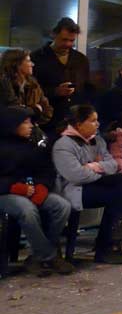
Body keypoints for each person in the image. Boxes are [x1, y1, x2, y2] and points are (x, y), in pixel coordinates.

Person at [52, 104, 122, 265]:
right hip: (74, 190)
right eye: (93, 121)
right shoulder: (63, 145)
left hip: (91, 184)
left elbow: (113, 164)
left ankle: (110, 240)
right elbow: (76, 175)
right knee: (116, 195)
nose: (98, 124)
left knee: (121, 180)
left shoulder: (97, 140)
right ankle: (109, 242)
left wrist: (93, 166)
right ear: (79, 124)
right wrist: (100, 169)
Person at [0, 106, 73, 276]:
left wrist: (42, 186)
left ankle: (37, 256)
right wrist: (13, 187)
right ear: (12, 125)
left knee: (62, 206)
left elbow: (46, 169)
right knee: (27, 210)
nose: (31, 126)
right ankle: (49, 255)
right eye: (25, 123)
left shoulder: (32, 144)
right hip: (6, 192)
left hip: (31, 189)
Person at [30, 17, 90, 132]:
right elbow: (30, 92)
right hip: (47, 122)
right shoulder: (36, 58)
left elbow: (87, 88)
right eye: (64, 40)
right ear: (54, 35)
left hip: (75, 122)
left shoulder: (81, 59)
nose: (68, 44)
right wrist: (55, 92)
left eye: (72, 41)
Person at [0, 48, 53, 130]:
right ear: (16, 64)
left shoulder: (33, 84)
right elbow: (11, 113)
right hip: (9, 135)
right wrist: (35, 109)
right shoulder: (4, 84)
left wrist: (30, 120)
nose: (32, 64)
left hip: (31, 131)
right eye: (28, 61)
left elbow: (47, 111)